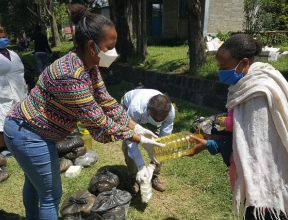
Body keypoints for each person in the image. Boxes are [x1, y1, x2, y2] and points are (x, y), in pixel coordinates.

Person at [3, 4, 164, 220]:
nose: (114, 51)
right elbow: (98, 121)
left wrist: (137, 127)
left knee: (35, 185)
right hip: (28, 133)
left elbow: (105, 101)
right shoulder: (71, 75)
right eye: (110, 46)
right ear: (91, 45)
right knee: (50, 194)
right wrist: (137, 138)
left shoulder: (89, 65)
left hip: (32, 130)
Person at [187, 33, 288, 220]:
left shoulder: (257, 95)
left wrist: (209, 145)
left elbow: (254, 149)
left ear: (243, 63)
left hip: (264, 188)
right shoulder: (244, 87)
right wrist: (210, 138)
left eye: (223, 67)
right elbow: (242, 136)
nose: (220, 72)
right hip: (254, 182)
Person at [121, 89, 175, 193]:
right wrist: (141, 165)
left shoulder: (170, 112)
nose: (158, 121)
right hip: (129, 109)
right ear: (147, 109)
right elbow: (129, 138)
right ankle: (134, 177)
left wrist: (152, 166)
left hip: (148, 114)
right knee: (127, 145)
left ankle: (154, 174)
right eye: (155, 118)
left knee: (161, 146)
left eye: (161, 120)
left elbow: (163, 143)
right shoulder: (135, 108)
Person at [0, 25, 28, 157]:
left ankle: (19, 142)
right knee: (2, 120)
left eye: (4, 37)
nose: (3, 39)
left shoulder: (13, 53)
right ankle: (2, 148)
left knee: (20, 118)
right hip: (3, 94)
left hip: (19, 90)